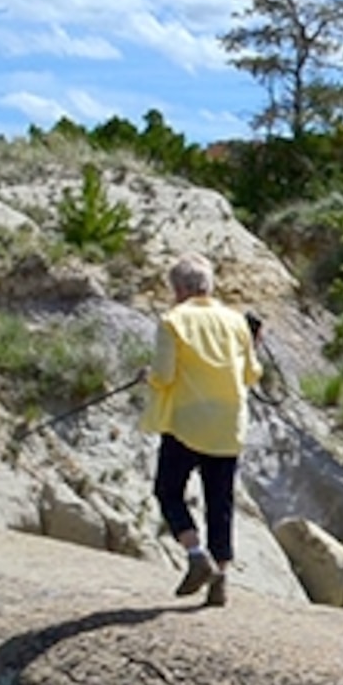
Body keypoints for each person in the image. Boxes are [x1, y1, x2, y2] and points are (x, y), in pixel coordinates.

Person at [143, 255, 262, 606]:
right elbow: (252, 374)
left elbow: (163, 376)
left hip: (187, 422)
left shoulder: (173, 321)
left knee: (168, 490)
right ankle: (221, 579)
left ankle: (196, 556)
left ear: (178, 289)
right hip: (229, 424)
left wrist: (146, 375)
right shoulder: (236, 321)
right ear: (208, 286)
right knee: (219, 501)